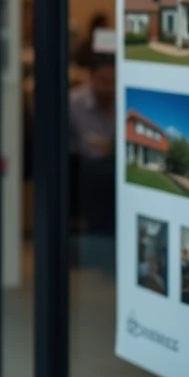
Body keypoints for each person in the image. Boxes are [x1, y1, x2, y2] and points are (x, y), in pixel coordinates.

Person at [69, 52, 116, 239]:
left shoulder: (124, 99)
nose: (108, 87)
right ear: (91, 77)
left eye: (113, 81)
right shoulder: (73, 103)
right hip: (83, 169)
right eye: (103, 81)